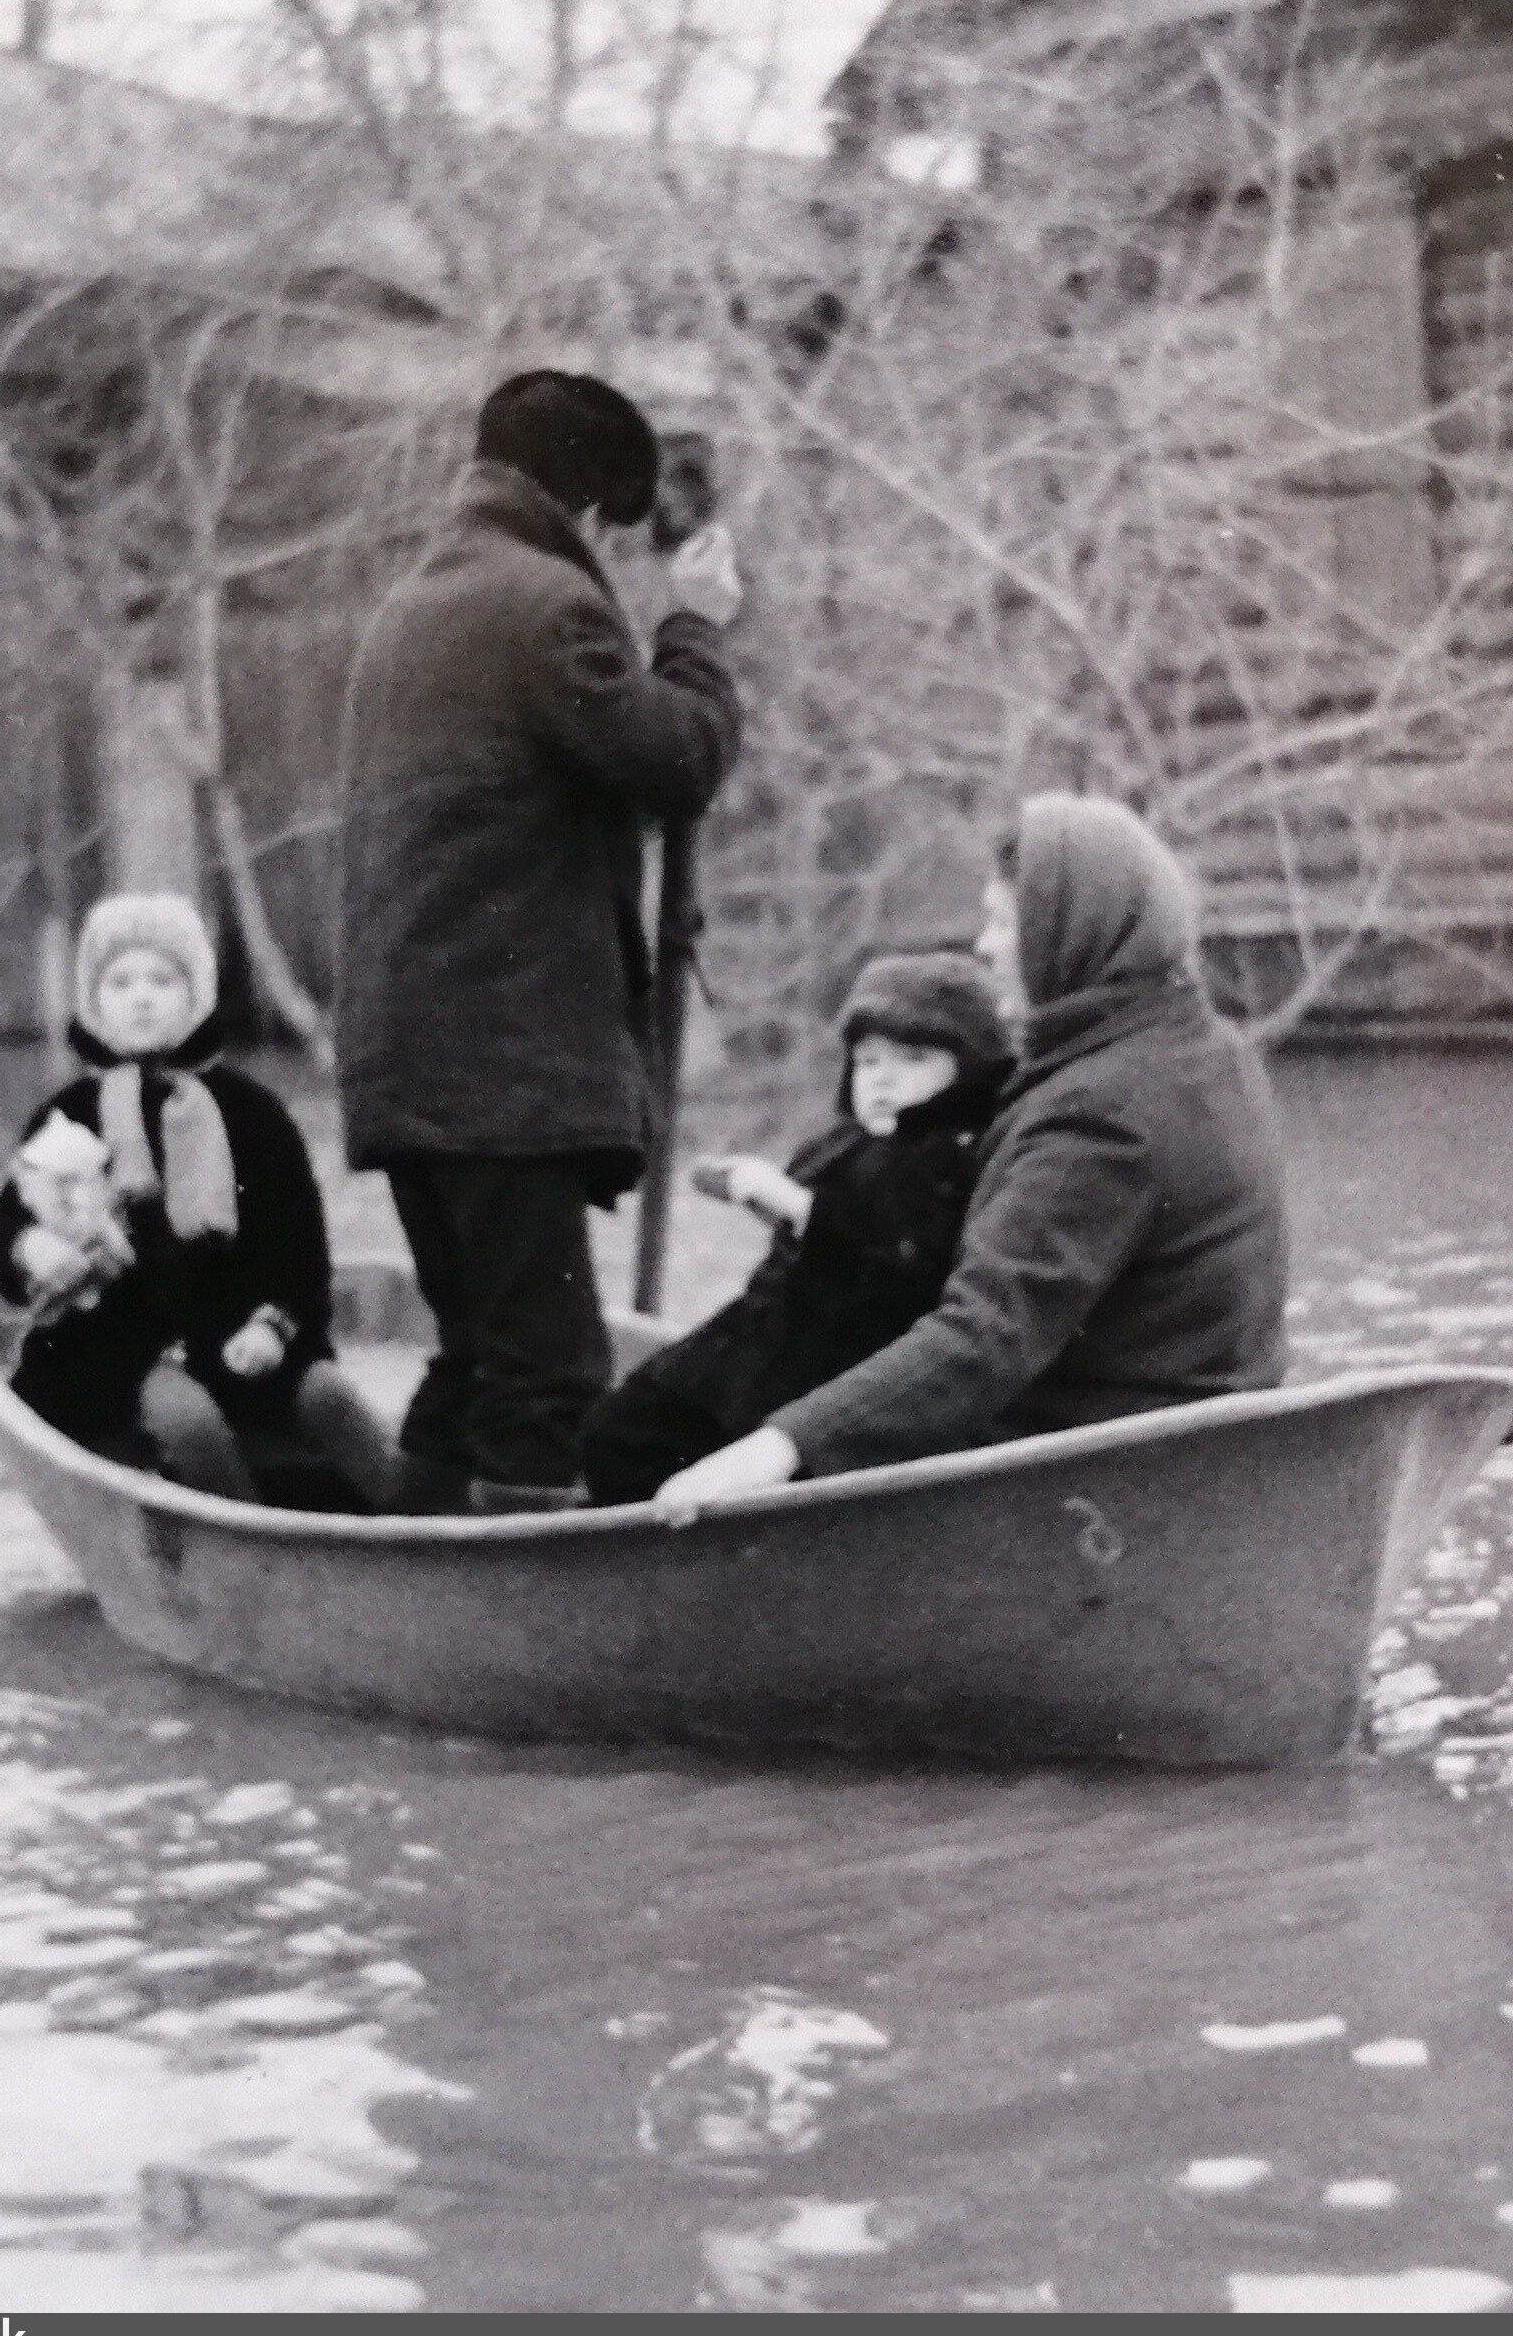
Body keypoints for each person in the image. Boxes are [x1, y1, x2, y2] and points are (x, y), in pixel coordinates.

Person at [334, 369, 745, 1510]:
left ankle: (408, 1584)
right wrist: (696, 630)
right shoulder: (545, 609)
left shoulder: (412, 605)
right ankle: (498, 1636)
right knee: (549, 1372)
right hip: (501, 1077)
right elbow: (680, 758)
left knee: (477, 1355)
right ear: (590, 513)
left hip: (408, 1067)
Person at [654, 794, 1290, 1513]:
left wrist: (778, 1447)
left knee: (728, 1426)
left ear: (1066, 937)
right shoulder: (1210, 1053)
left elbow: (985, 1334)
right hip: (1200, 1449)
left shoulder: (1101, 1114)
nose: (984, 947)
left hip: (1089, 1469)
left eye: (1002, 922)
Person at [0, 893, 397, 1512]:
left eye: (164, 979)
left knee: (331, 1399)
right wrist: (34, 1246)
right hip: (115, 1348)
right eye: (120, 982)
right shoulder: (69, 1115)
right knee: (190, 1427)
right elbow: (9, 1227)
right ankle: (258, 1556)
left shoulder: (253, 1114)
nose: (142, 996)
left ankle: (428, 1537)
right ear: (94, 1003)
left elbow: (301, 1249)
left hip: (238, 1331)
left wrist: (273, 1325)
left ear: (197, 995)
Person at [571, 951, 1017, 1508]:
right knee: (621, 1429)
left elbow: (900, 1264)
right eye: (868, 1060)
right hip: (763, 1341)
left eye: (914, 1058)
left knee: (648, 1444)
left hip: (817, 1363)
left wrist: (802, 1210)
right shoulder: (853, 1143)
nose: (884, 1078)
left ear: (968, 1070)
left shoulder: (938, 1160)